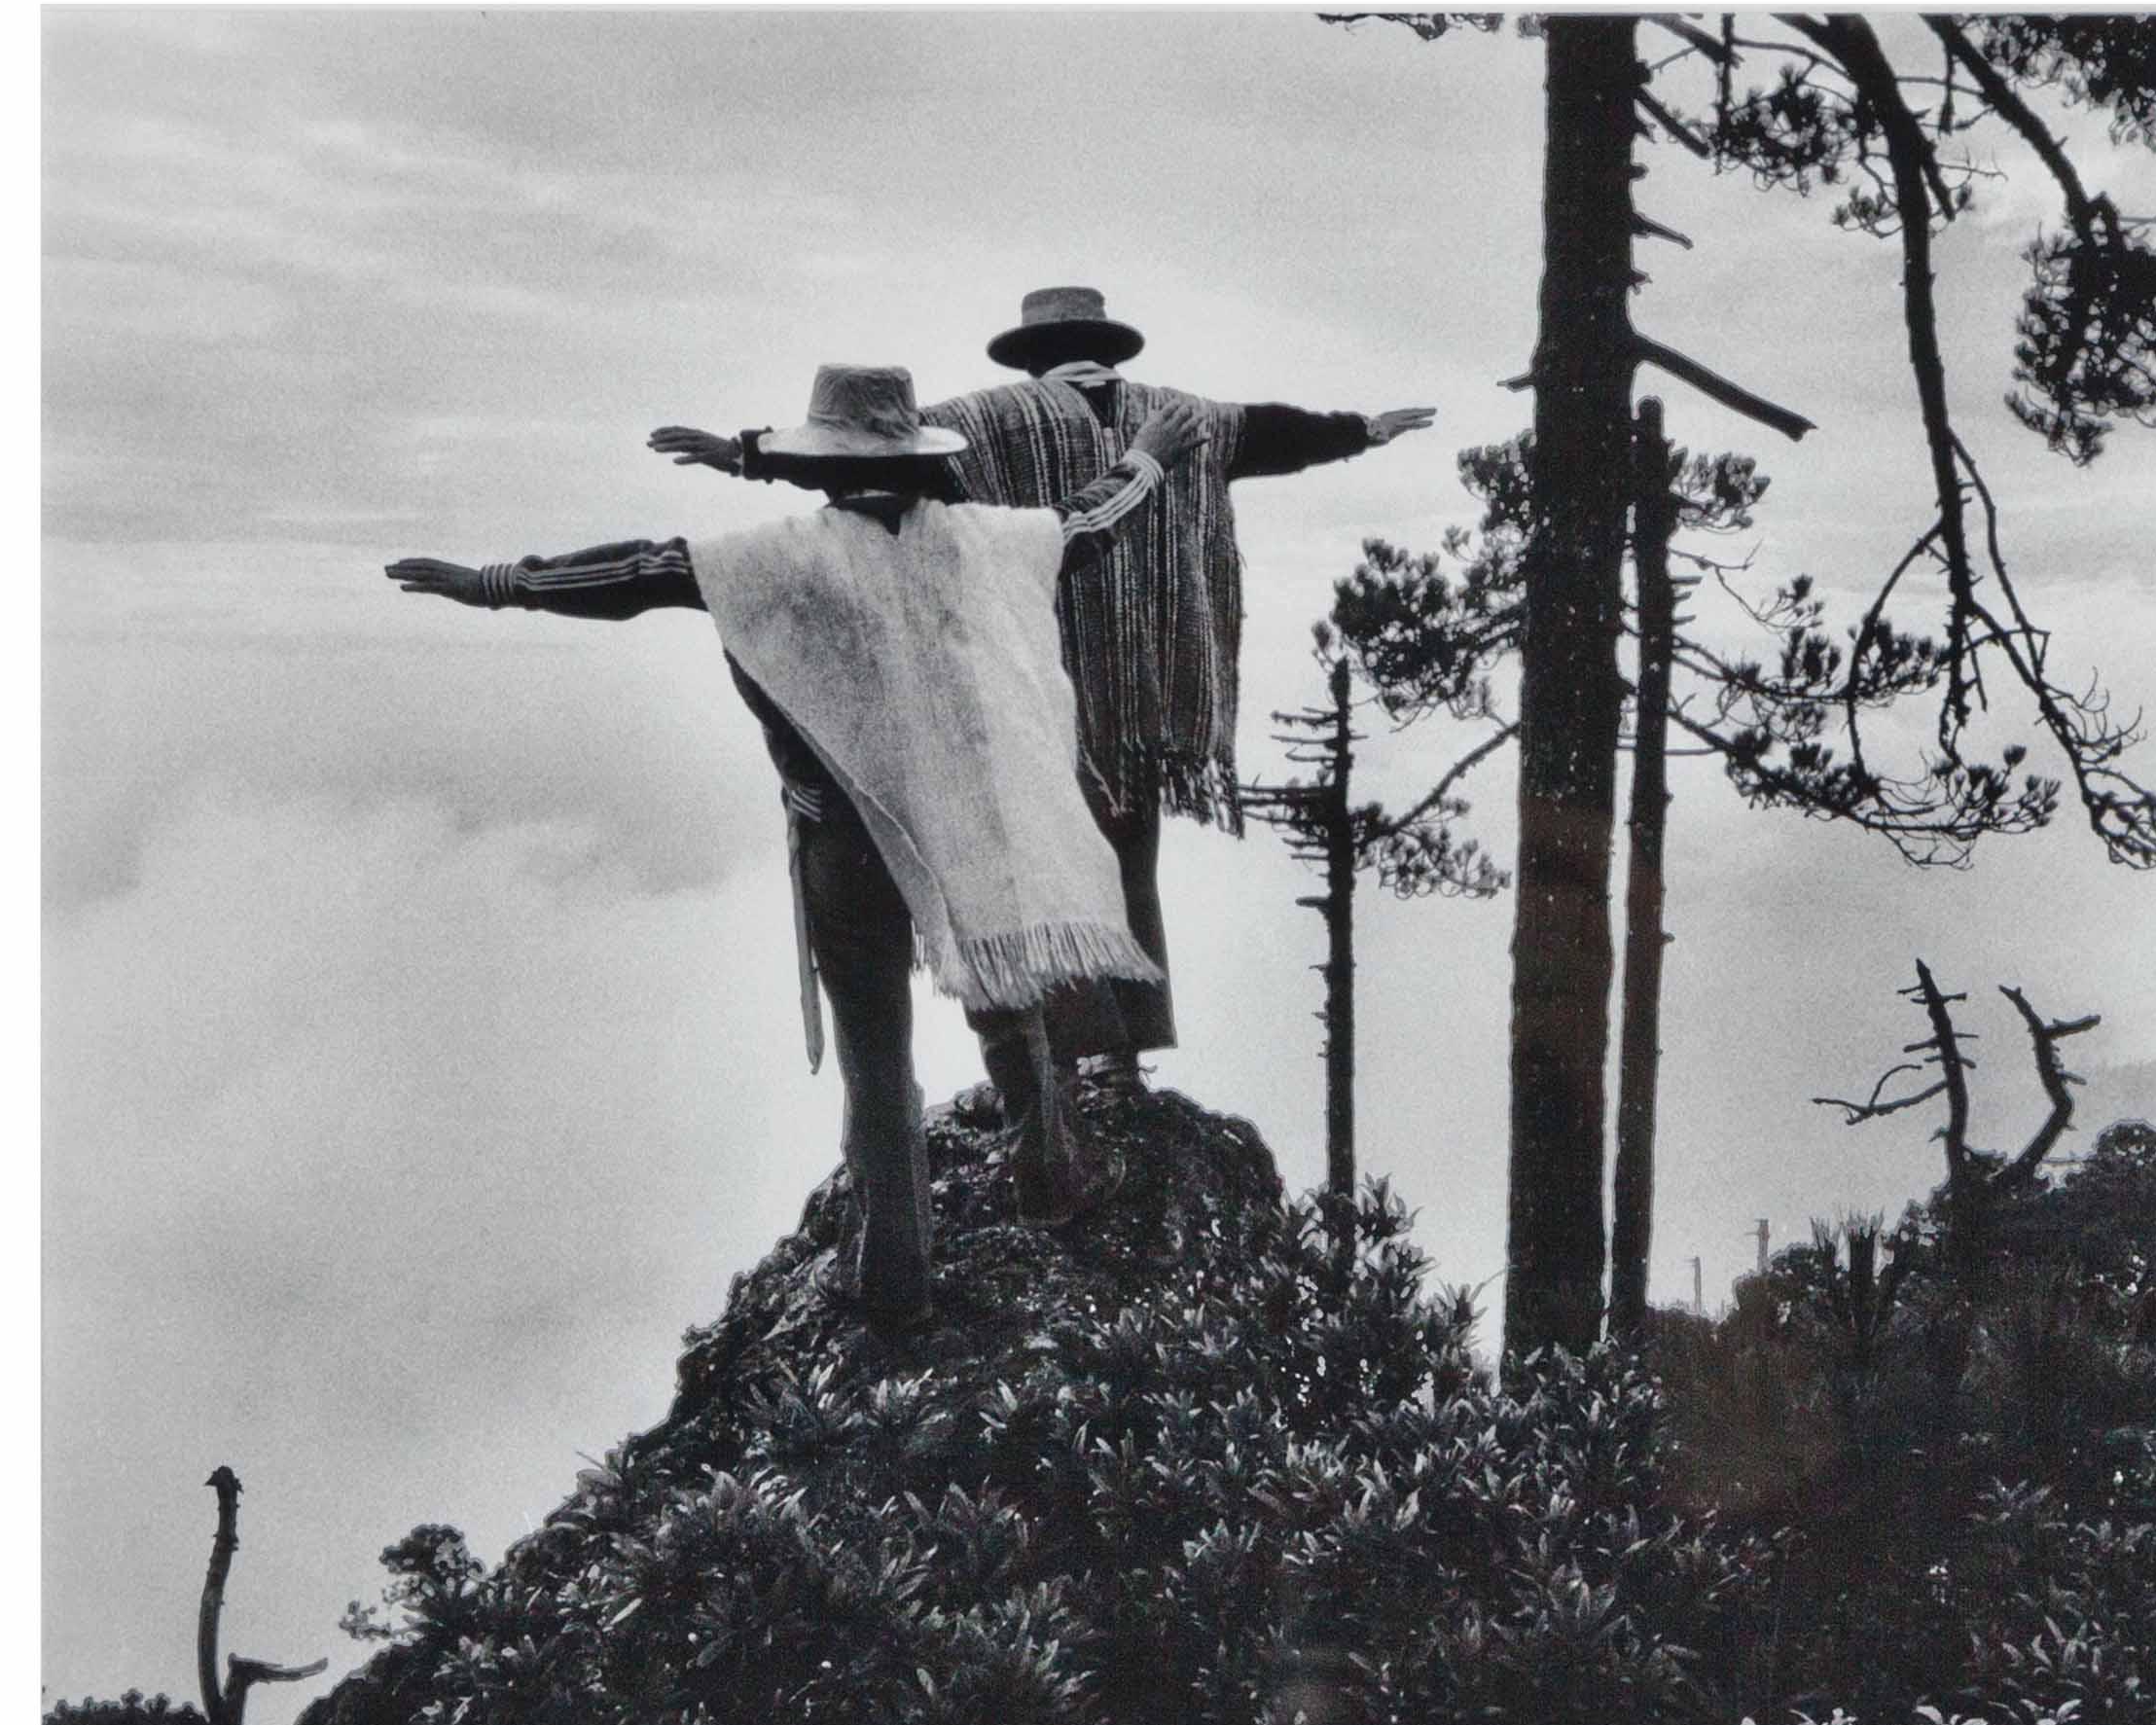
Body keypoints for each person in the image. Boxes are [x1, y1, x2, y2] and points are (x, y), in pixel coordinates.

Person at [385, 365, 1210, 1331]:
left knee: (876, 1055)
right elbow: (1085, 522)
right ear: (914, 461)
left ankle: (894, 1276)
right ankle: (1052, 1174)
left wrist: (494, 585)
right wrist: (1148, 457)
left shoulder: (774, 560)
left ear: (817, 469)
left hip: (842, 843)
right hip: (964, 823)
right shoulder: (985, 544)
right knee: (1006, 995)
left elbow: (641, 572)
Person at [649, 287, 1434, 1069]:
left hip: (1035, 680)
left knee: (1053, 869)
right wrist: (1365, 431)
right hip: (1150, 691)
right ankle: (1132, 1049)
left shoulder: (989, 421)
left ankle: (1081, 1059)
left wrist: (748, 455)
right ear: (1110, 349)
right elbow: (1280, 432)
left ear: (1030, 356)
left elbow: (875, 454)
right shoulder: (1187, 416)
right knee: (1131, 863)